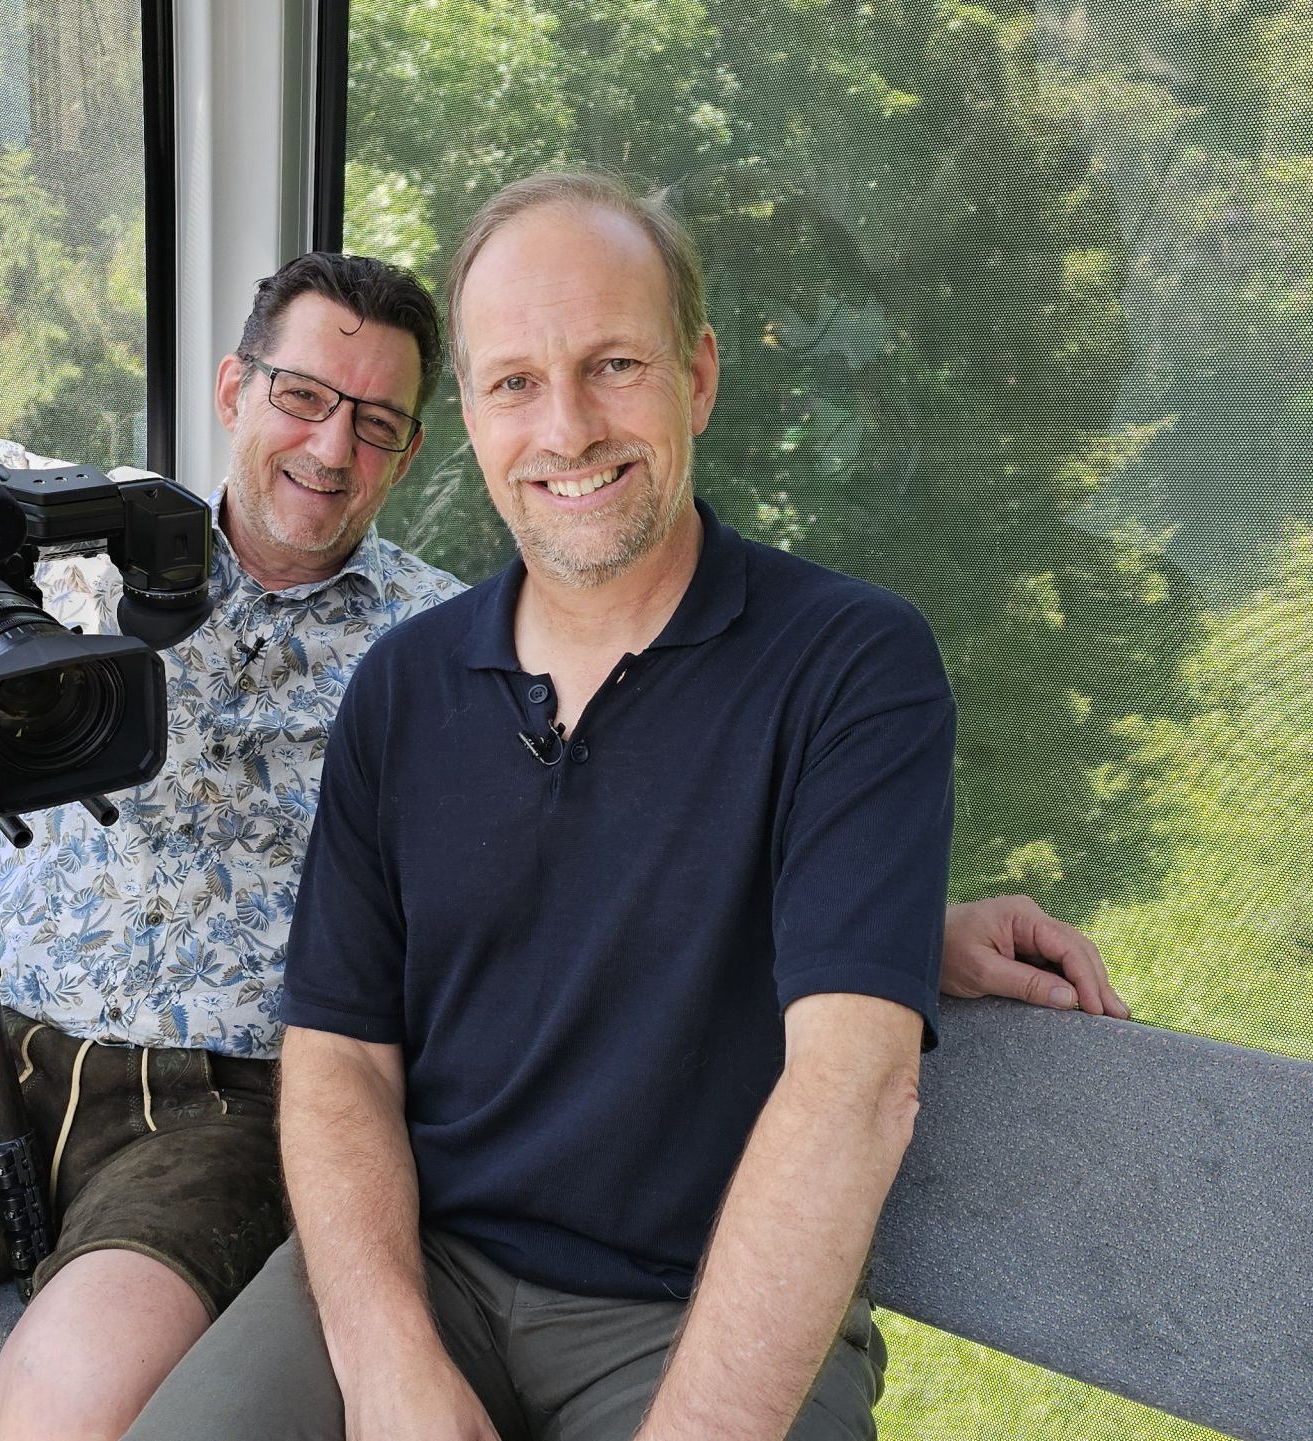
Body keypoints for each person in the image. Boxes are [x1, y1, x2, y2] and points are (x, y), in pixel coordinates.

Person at [0, 241, 1124, 1441]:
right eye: (300, 395)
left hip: (239, 1108)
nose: (329, 446)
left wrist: (900, 926)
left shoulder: (448, 645)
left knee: (64, 1400)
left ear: (417, 451)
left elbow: (642, 849)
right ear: (235, 391)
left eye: (379, 420)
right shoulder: (54, 529)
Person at [122, 171, 1057, 1441]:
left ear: (699, 377)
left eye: (613, 364)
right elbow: (338, 1053)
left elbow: (853, 1090)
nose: (564, 429)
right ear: (473, 415)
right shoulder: (401, 686)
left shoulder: (849, 665)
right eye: (513, 382)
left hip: (697, 1309)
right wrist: (391, 1365)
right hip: (421, 1270)